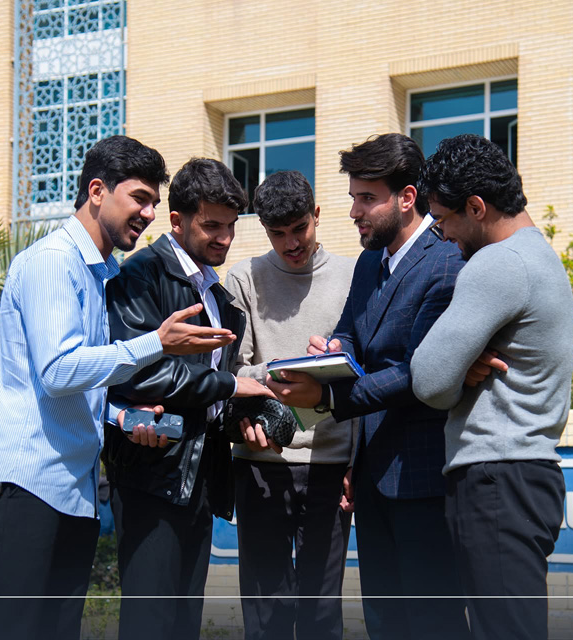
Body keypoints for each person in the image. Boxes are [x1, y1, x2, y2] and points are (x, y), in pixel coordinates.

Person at [0, 136, 234, 640]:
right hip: (27, 488)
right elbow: (58, 370)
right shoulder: (53, 261)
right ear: (97, 191)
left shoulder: (100, 276)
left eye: (154, 202)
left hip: (74, 495)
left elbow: (80, 386)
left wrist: (122, 418)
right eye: (140, 198)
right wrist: (156, 343)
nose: (149, 214)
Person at [268, 133, 478, 640]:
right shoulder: (369, 262)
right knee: (385, 623)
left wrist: (328, 396)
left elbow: (418, 373)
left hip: (425, 481)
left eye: (367, 198)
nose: (354, 212)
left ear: (407, 198)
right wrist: (329, 352)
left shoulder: (447, 262)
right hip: (372, 476)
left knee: (434, 626)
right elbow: (351, 334)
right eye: (353, 198)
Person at [411, 134, 573, 640]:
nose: (442, 235)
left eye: (441, 219)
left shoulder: (498, 262)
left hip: (495, 481)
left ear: (476, 207)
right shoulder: (540, 256)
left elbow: (428, 380)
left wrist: (456, 372)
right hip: (524, 476)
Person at [102, 157, 275, 640]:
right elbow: (139, 373)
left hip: (199, 479)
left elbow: (212, 386)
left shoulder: (216, 293)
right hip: (151, 477)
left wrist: (248, 407)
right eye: (212, 226)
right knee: (150, 624)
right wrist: (230, 386)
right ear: (177, 221)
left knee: (183, 625)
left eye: (231, 226)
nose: (225, 238)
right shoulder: (140, 275)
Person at [224, 170, 357, 640]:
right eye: (277, 233)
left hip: (331, 464)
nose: (291, 243)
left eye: (299, 228)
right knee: (267, 613)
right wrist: (284, 370)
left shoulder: (353, 276)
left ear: (316, 215)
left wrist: (356, 461)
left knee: (322, 613)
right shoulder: (243, 278)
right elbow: (230, 372)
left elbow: (366, 378)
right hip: (261, 462)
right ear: (263, 228)